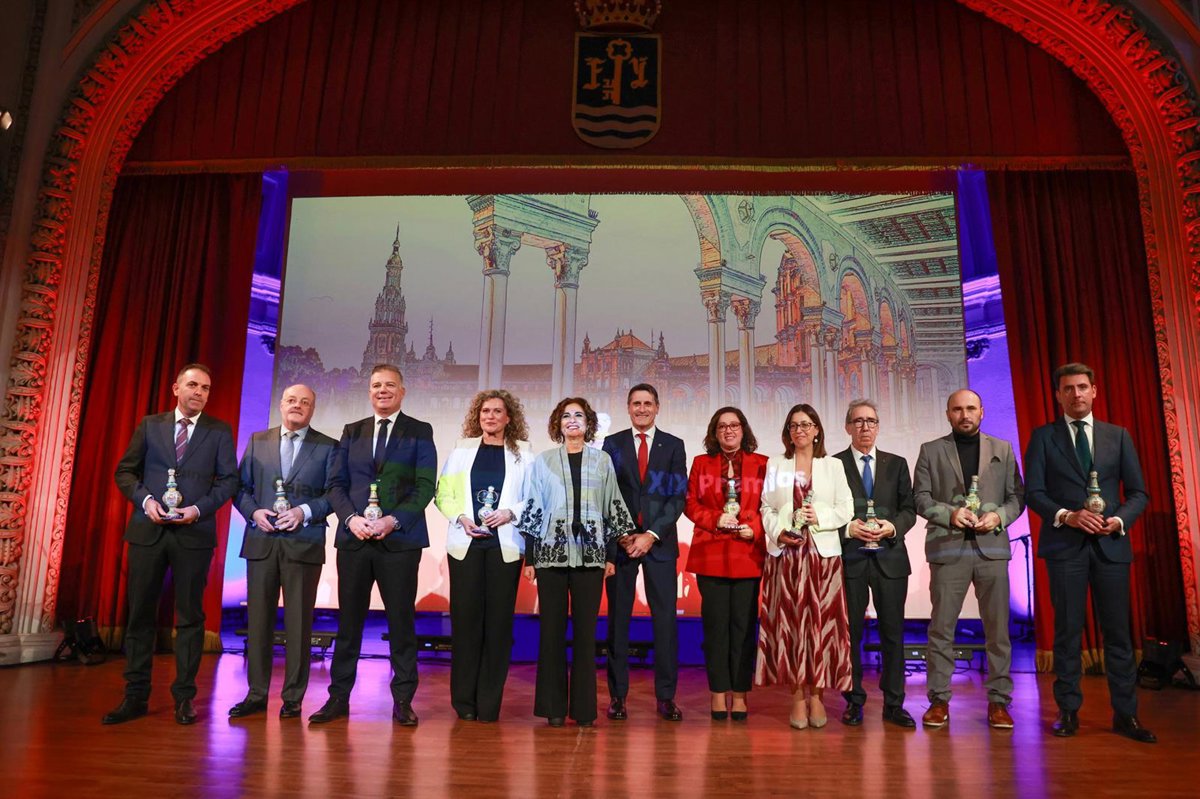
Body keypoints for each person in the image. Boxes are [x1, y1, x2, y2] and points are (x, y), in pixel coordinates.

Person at [1024, 363, 1155, 743]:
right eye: (1068, 388)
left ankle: (1126, 715)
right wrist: (1068, 516)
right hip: (1065, 547)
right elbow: (1034, 493)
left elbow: (1139, 493)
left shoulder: (1118, 436)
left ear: (1094, 390)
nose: (1076, 394)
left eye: (1082, 387)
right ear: (1058, 395)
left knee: (1118, 634)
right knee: (1067, 632)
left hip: (1111, 547)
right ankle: (1067, 712)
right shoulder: (1043, 437)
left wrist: (1119, 521)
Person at [104, 363, 238, 726]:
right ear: (176, 388)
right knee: (140, 615)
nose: (199, 392)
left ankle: (184, 698)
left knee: (191, 617)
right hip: (148, 532)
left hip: (194, 535)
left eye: (205, 388)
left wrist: (198, 509)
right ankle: (135, 696)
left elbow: (228, 481)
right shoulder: (150, 425)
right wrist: (146, 501)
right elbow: (125, 472)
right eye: (193, 385)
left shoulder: (219, 431)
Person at [309, 364, 436, 727]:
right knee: (349, 623)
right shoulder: (352, 431)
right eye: (377, 385)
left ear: (402, 391)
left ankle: (403, 701)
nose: (383, 390)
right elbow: (335, 484)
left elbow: (425, 486)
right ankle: (338, 698)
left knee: (401, 622)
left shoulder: (419, 431)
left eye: (390, 385)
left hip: (399, 541)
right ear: (369, 391)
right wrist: (351, 519)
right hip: (355, 539)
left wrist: (392, 520)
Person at [913, 388, 1024, 730]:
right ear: (948, 413)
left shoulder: (1003, 449)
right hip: (948, 548)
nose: (965, 414)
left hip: (992, 549)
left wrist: (999, 517)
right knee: (941, 629)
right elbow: (920, 498)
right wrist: (949, 514)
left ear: (982, 411)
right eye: (958, 409)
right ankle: (939, 700)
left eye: (971, 408)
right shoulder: (931, 450)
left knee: (998, 630)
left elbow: (1017, 497)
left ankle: (999, 701)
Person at [519, 397, 634, 727]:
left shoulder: (602, 461)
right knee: (551, 632)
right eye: (566, 416)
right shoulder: (543, 462)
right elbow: (534, 508)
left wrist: (610, 556)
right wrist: (531, 558)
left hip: (591, 558)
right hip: (550, 557)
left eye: (579, 415)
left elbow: (611, 506)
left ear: (588, 423)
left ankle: (584, 711)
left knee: (586, 635)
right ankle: (553, 708)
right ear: (558, 424)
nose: (572, 420)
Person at [229, 384, 337, 720]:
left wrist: (304, 511)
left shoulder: (329, 446)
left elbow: (335, 494)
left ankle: (293, 698)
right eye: (291, 400)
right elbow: (239, 488)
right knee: (258, 622)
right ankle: (256, 694)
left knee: (299, 624)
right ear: (281, 404)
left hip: (303, 543)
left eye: (305, 402)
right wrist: (253, 512)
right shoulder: (258, 441)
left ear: (313, 409)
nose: (297, 405)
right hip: (261, 541)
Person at [434, 389, 533, 723]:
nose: (490, 416)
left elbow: (534, 497)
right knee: (465, 624)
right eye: (485, 411)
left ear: (509, 418)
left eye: (497, 411)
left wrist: (510, 512)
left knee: (498, 627)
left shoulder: (523, 454)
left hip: (505, 548)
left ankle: (489, 703)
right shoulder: (462, 450)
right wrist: (461, 517)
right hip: (466, 546)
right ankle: (464, 701)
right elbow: (444, 494)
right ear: (478, 416)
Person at [757, 403, 854, 730]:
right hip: (787, 555)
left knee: (821, 628)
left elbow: (846, 509)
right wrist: (779, 531)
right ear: (788, 432)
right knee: (791, 627)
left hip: (822, 557)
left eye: (806, 424)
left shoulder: (833, 465)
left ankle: (818, 696)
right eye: (794, 425)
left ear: (817, 430)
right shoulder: (776, 464)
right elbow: (766, 507)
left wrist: (820, 516)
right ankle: (798, 696)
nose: (800, 430)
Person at [602, 383, 688, 722]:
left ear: (657, 407)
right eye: (636, 403)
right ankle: (618, 696)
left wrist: (650, 536)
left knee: (665, 622)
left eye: (647, 403)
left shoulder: (673, 445)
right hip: (621, 546)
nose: (642, 409)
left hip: (659, 544)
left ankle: (666, 697)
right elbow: (607, 492)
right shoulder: (613, 444)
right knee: (617, 622)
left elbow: (677, 497)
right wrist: (624, 534)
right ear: (628, 407)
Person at [834, 399, 917, 729]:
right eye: (858, 421)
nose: (865, 426)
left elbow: (909, 509)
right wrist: (847, 528)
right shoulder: (833, 464)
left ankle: (894, 704)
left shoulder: (896, 464)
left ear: (878, 426)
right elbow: (825, 510)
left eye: (871, 421)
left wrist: (892, 527)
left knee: (893, 634)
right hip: (851, 558)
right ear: (848, 427)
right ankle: (854, 700)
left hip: (890, 558)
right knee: (850, 634)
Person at [684, 406, 768, 721]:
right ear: (714, 432)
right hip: (711, 554)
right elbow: (690, 503)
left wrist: (754, 527)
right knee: (716, 628)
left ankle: (741, 694)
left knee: (744, 629)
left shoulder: (762, 464)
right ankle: (718, 693)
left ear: (743, 430)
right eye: (722, 426)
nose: (728, 431)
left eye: (734, 425)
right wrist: (716, 519)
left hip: (747, 554)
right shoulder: (700, 463)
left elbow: (770, 505)